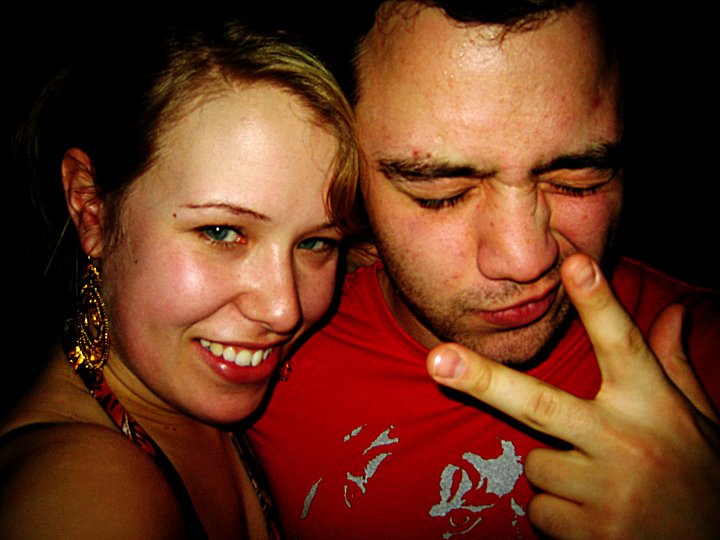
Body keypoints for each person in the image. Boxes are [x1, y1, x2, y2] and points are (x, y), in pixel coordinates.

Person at [246, 1, 720, 538]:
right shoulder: (259, 363)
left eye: (579, 180)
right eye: (441, 192)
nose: (526, 259)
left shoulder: (707, 357)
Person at [0, 14, 359, 539]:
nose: (285, 309)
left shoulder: (186, 392)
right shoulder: (79, 486)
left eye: (315, 242)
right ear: (91, 207)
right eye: (220, 231)